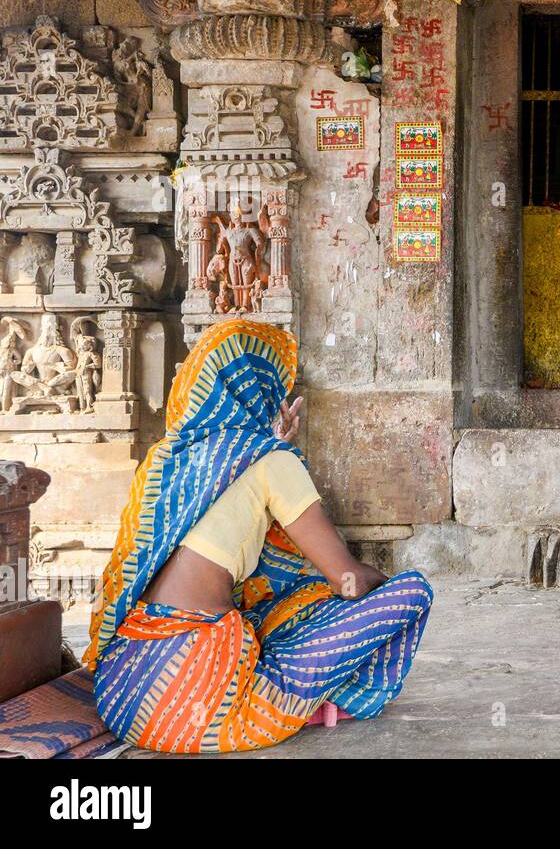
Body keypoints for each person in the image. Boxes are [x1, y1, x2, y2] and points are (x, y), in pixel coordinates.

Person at [84, 318, 433, 753]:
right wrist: (380, 582)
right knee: (412, 592)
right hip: (190, 702)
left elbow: (233, 502)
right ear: (267, 395)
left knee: (301, 596)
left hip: (122, 690)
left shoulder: (174, 462)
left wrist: (273, 446)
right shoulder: (273, 462)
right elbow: (347, 581)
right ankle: (326, 700)